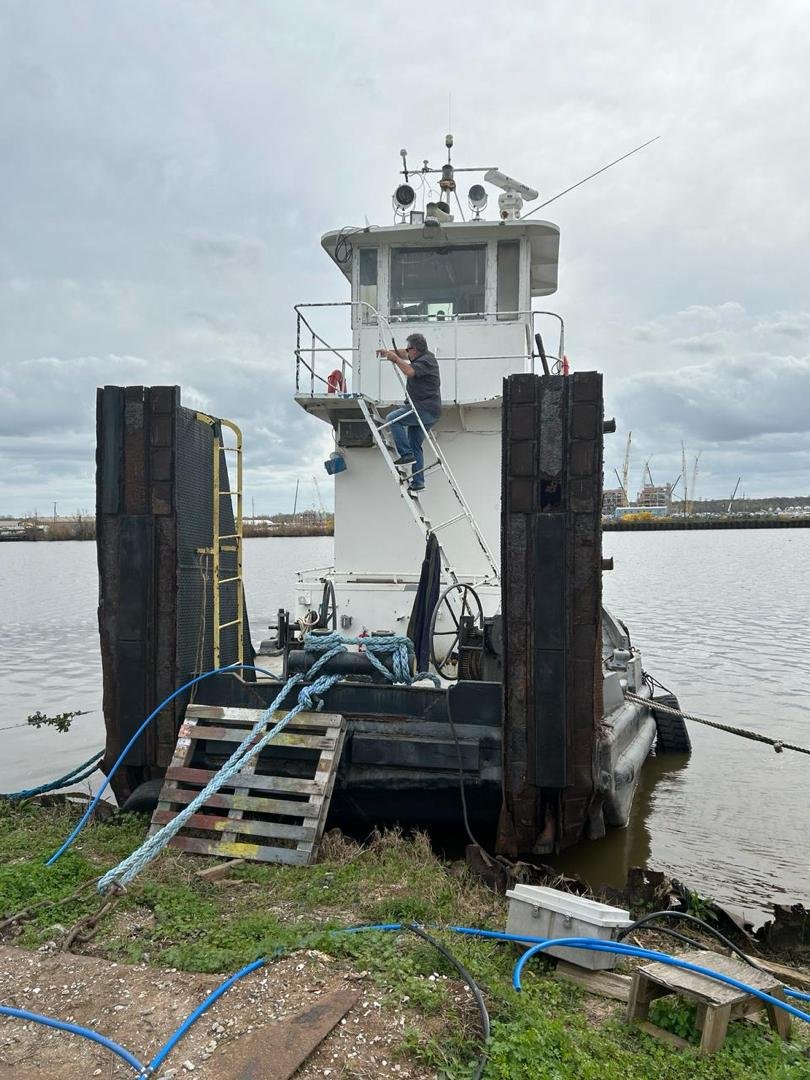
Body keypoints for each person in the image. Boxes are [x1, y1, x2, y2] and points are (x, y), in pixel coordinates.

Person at [376, 332, 441, 493]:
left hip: (424, 409)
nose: (406, 351)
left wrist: (395, 359)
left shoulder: (426, 361)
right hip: (428, 410)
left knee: (393, 418)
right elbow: (404, 354)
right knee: (415, 444)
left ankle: (406, 455)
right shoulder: (422, 355)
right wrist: (388, 352)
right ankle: (418, 481)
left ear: (416, 349)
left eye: (408, 349)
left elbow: (410, 372)